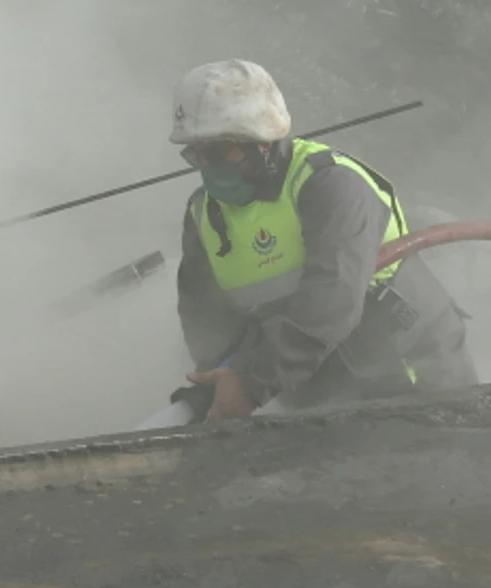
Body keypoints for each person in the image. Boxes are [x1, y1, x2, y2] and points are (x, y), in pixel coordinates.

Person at [169, 59, 475, 420]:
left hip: (410, 372)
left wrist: (251, 383)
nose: (206, 166)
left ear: (262, 142)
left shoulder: (330, 185)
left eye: (218, 152)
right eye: (194, 153)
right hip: (321, 389)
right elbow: (205, 316)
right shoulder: (202, 214)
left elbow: (332, 297)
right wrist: (217, 381)